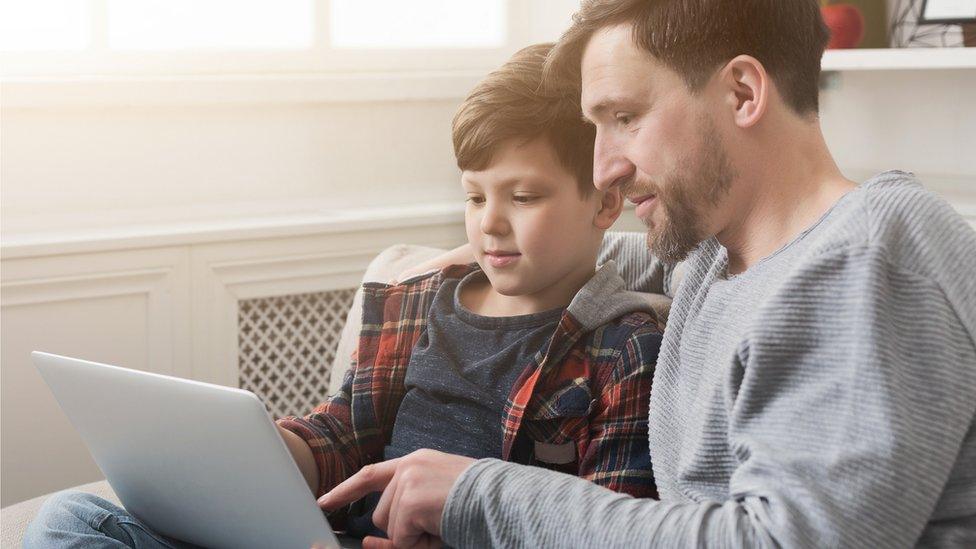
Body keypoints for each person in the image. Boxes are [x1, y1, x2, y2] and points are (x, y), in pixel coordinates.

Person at [318, 1, 976, 548]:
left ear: (742, 92)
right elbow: (643, 259)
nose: (604, 167)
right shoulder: (715, 255)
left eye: (625, 118)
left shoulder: (873, 256)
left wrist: (478, 493)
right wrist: (501, 252)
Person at [24, 43, 665, 547]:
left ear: (607, 200)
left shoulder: (623, 348)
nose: (489, 224)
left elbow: (603, 524)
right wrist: (265, 455)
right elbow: (346, 434)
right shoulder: (414, 304)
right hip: (333, 539)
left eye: (522, 197)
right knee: (73, 519)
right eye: (474, 196)